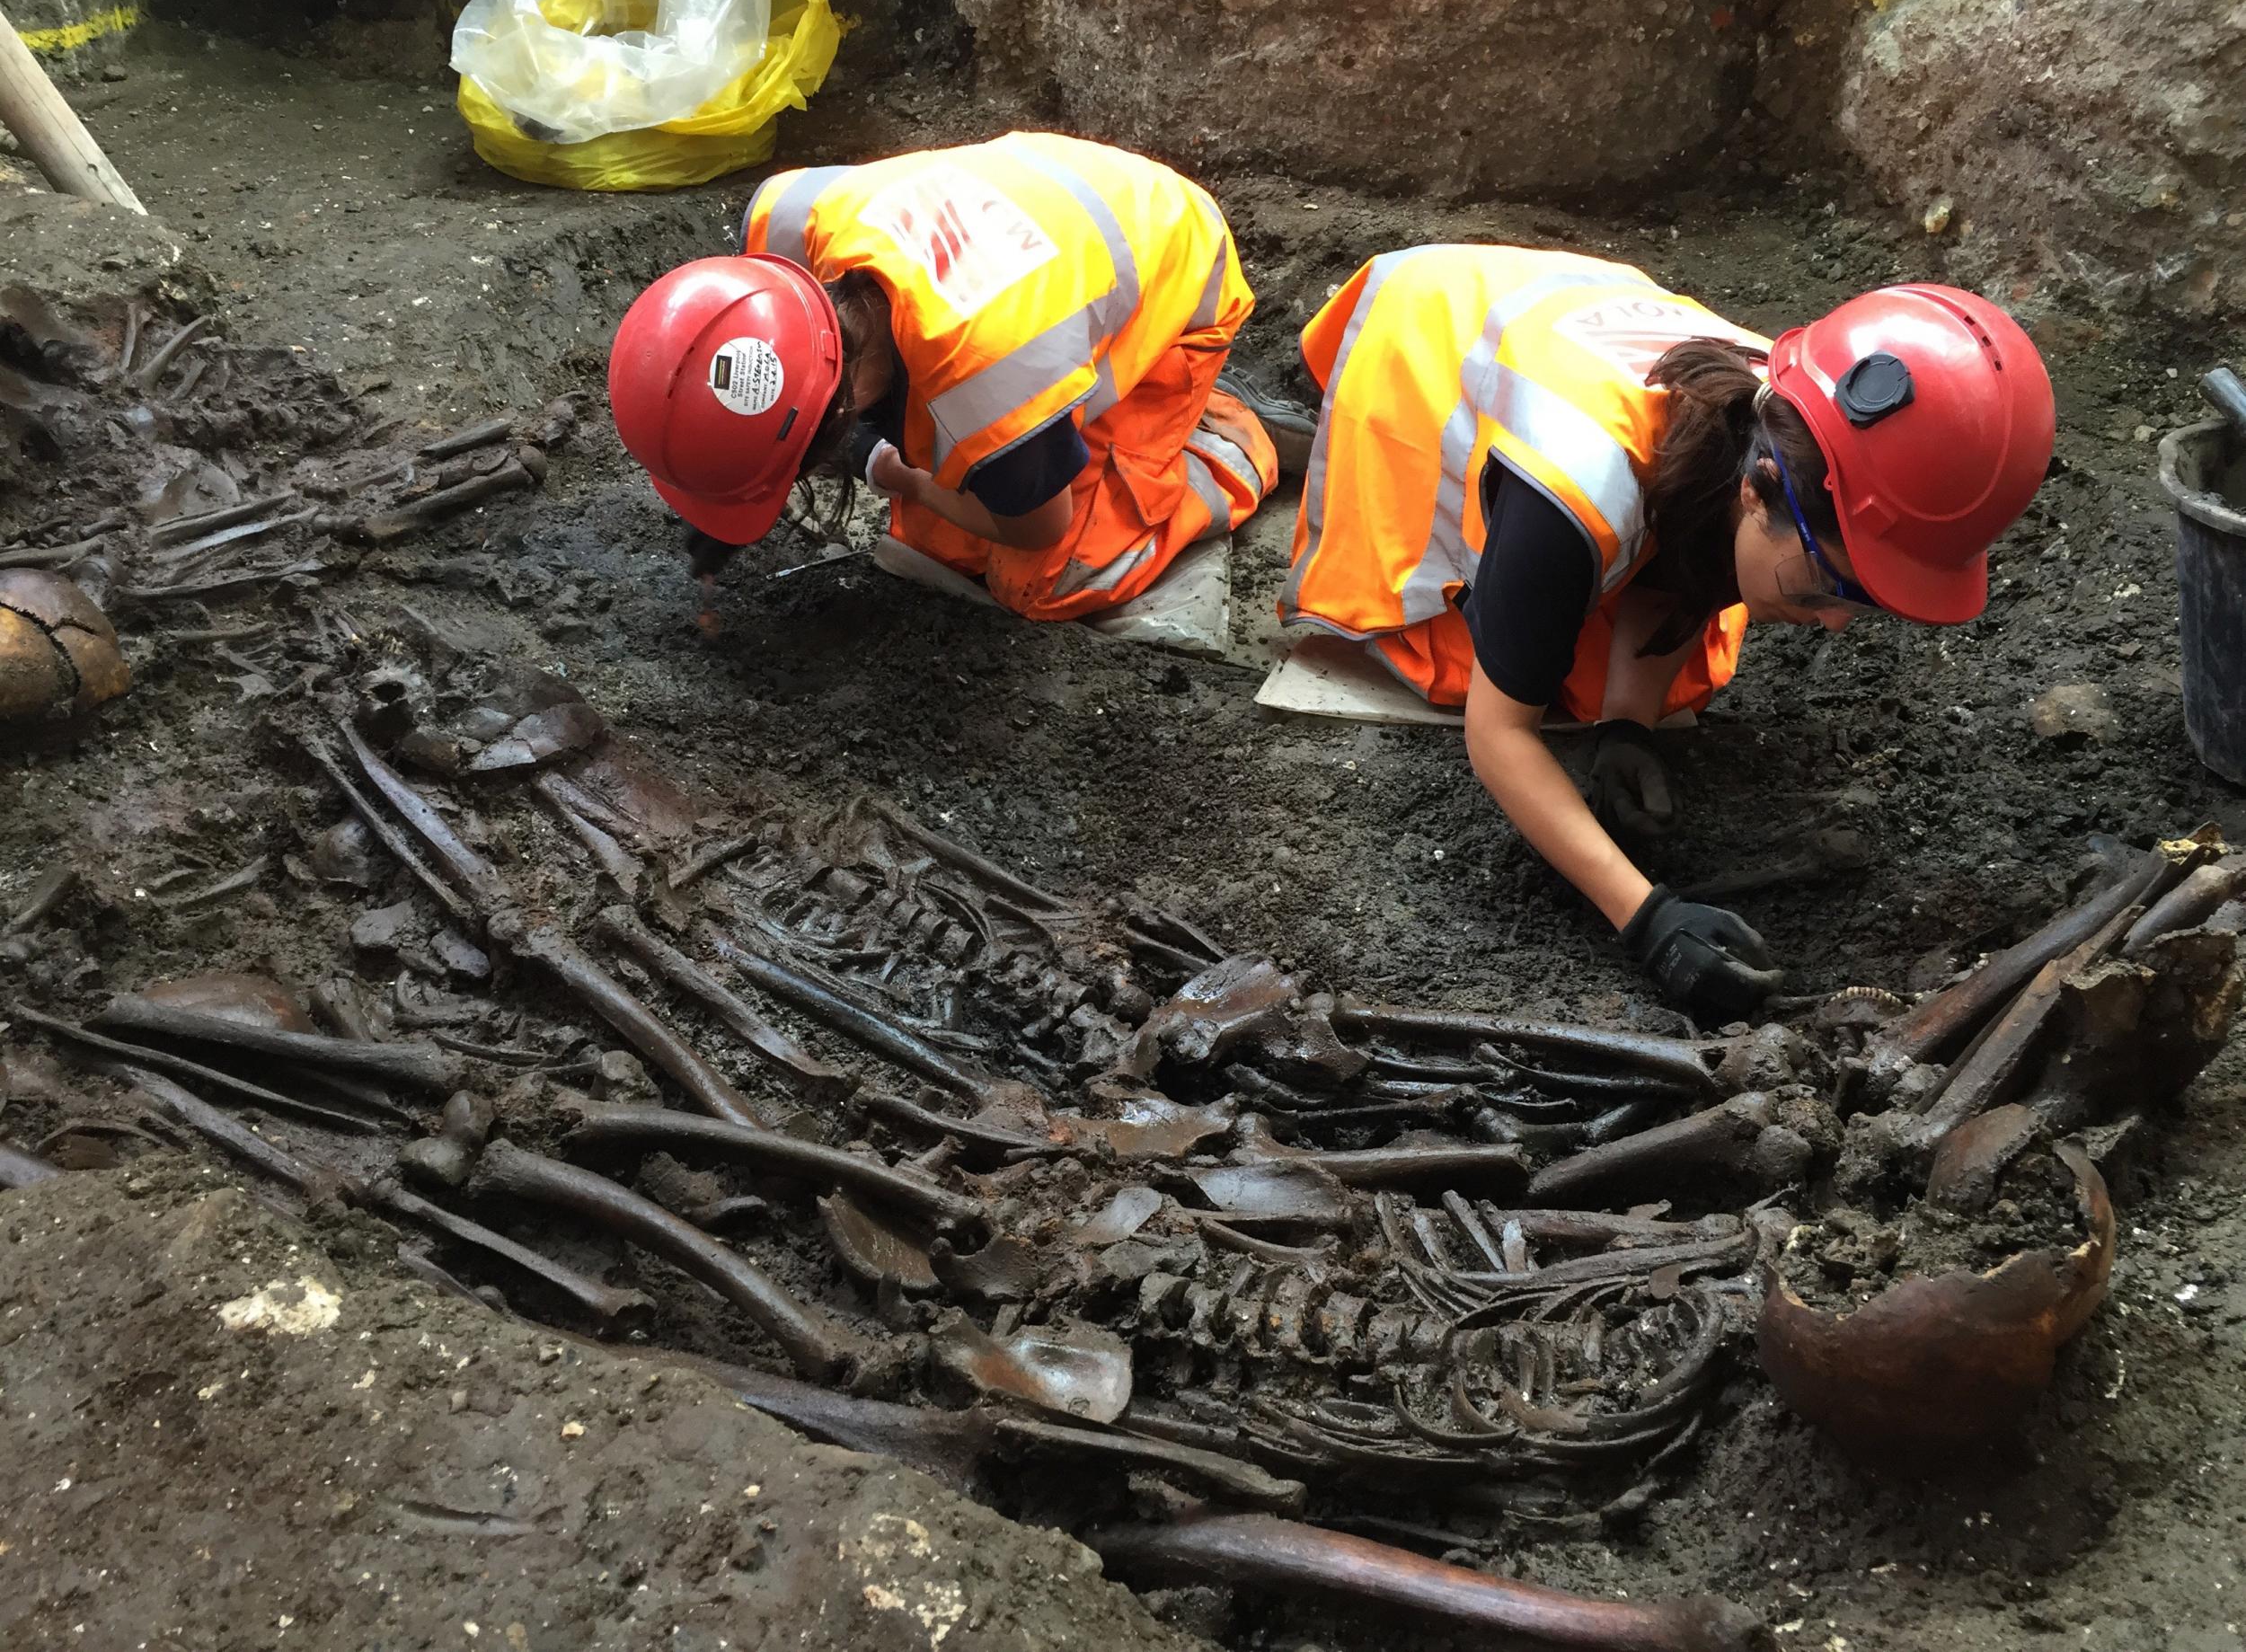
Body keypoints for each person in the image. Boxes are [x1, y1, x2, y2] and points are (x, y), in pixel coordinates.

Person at [1281, 244, 2055, 1017]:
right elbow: (1498, 734)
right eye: (1832, 586)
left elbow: (1692, 543)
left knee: (1627, 637)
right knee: (1474, 653)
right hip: (1421, 344)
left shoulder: (1780, 412)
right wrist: (1647, 918)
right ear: (1758, 490)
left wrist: (1629, 722)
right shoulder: (1571, 485)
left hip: (1557, 311)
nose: (1837, 624)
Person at [608, 132, 1312, 621]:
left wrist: (898, 474)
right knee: (941, 540)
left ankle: (1225, 434)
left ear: (843, 409)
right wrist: (729, 481)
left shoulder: (990, 381)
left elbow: (1038, 527)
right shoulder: (781, 230)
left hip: (1176, 274)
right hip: (1053, 199)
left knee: (1040, 580)